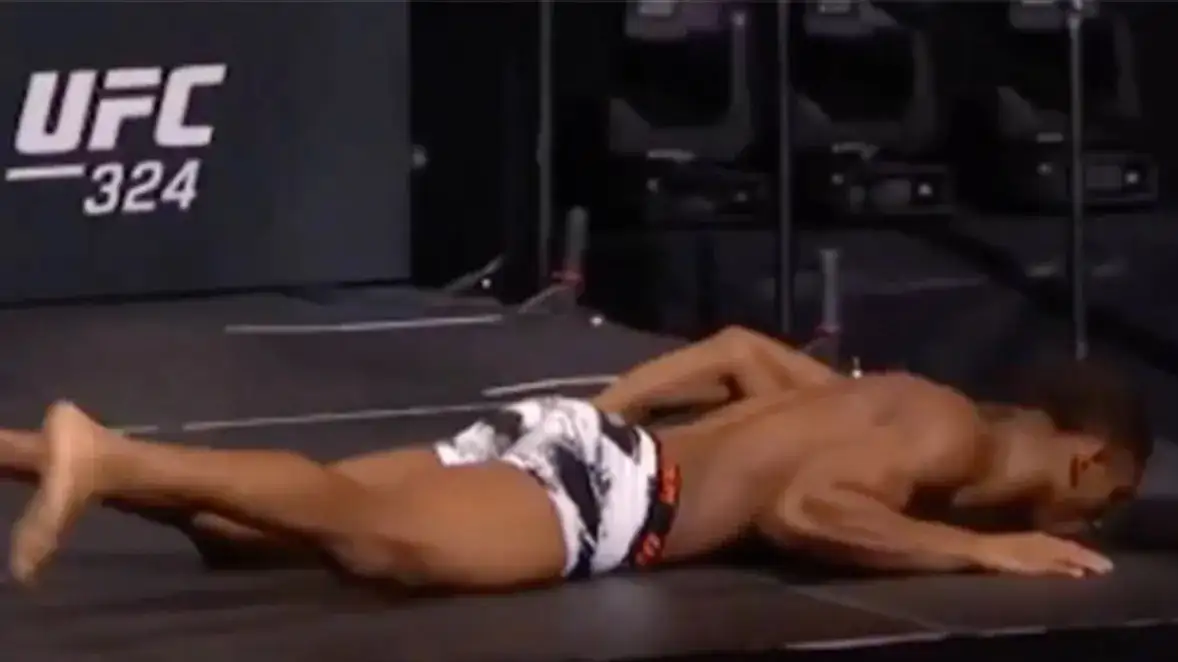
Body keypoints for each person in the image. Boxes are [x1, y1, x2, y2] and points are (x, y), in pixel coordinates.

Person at [3, 326, 1149, 589]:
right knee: (374, 535)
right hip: (621, 493)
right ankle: (95, 453)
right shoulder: (945, 436)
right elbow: (807, 507)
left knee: (247, 534)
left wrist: (598, 409)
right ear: (1087, 459)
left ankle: (26, 451)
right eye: (1110, 498)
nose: (1090, 524)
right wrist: (974, 552)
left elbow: (739, 351)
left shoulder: (895, 397)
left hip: (589, 447)